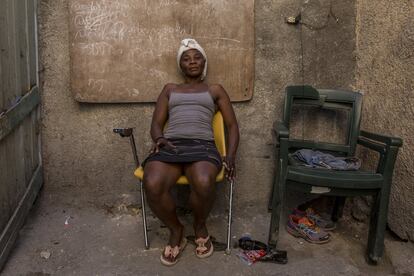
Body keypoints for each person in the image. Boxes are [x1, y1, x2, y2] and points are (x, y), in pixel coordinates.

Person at [142, 38, 239, 266]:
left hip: (202, 145)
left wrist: (231, 155)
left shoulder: (215, 90)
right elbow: (156, 124)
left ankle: (199, 225)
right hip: (172, 145)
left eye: (197, 57)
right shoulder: (170, 90)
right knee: (152, 182)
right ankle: (176, 230)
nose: (192, 62)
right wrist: (160, 139)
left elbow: (232, 126)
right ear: (181, 65)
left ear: (204, 62)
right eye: (186, 59)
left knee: (204, 181)